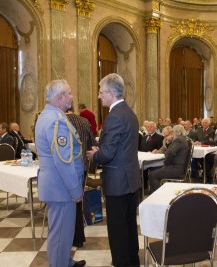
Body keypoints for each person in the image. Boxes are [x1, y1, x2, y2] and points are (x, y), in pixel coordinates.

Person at [86, 73, 140, 266]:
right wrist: (104, 150)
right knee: (129, 227)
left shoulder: (114, 117)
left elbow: (108, 153)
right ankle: (132, 262)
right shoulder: (129, 113)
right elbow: (121, 147)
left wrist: (94, 154)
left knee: (117, 231)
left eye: (101, 92)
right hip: (130, 180)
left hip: (118, 182)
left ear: (110, 92)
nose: (99, 96)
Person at [35, 80, 85, 267]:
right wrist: (75, 190)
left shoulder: (48, 115)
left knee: (63, 231)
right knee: (60, 234)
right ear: (59, 97)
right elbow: (63, 161)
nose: (72, 97)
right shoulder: (56, 120)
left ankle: (66, 261)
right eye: (69, 93)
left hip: (56, 185)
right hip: (61, 187)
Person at [65, 105, 95, 248]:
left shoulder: (60, 121)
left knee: (66, 204)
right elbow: (92, 144)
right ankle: (78, 237)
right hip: (82, 166)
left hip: (65, 167)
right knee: (77, 202)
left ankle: (68, 237)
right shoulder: (84, 121)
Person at [148, 125, 189, 192]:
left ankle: (157, 195)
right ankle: (156, 192)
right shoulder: (182, 139)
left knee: (152, 175)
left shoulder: (179, 140)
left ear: (175, 132)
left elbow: (170, 153)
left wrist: (166, 164)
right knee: (155, 170)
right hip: (178, 167)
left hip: (176, 169)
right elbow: (169, 151)